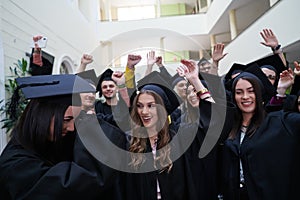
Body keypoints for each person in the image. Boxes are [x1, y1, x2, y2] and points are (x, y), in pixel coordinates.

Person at [0, 74, 125, 199]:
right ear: (43, 116)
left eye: (74, 120)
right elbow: (67, 188)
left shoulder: (51, 142)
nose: (71, 128)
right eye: (67, 119)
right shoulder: (16, 164)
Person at [219, 72, 266, 200]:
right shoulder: (229, 126)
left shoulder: (271, 124)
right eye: (239, 92)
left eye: (251, 91)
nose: (245, 97)